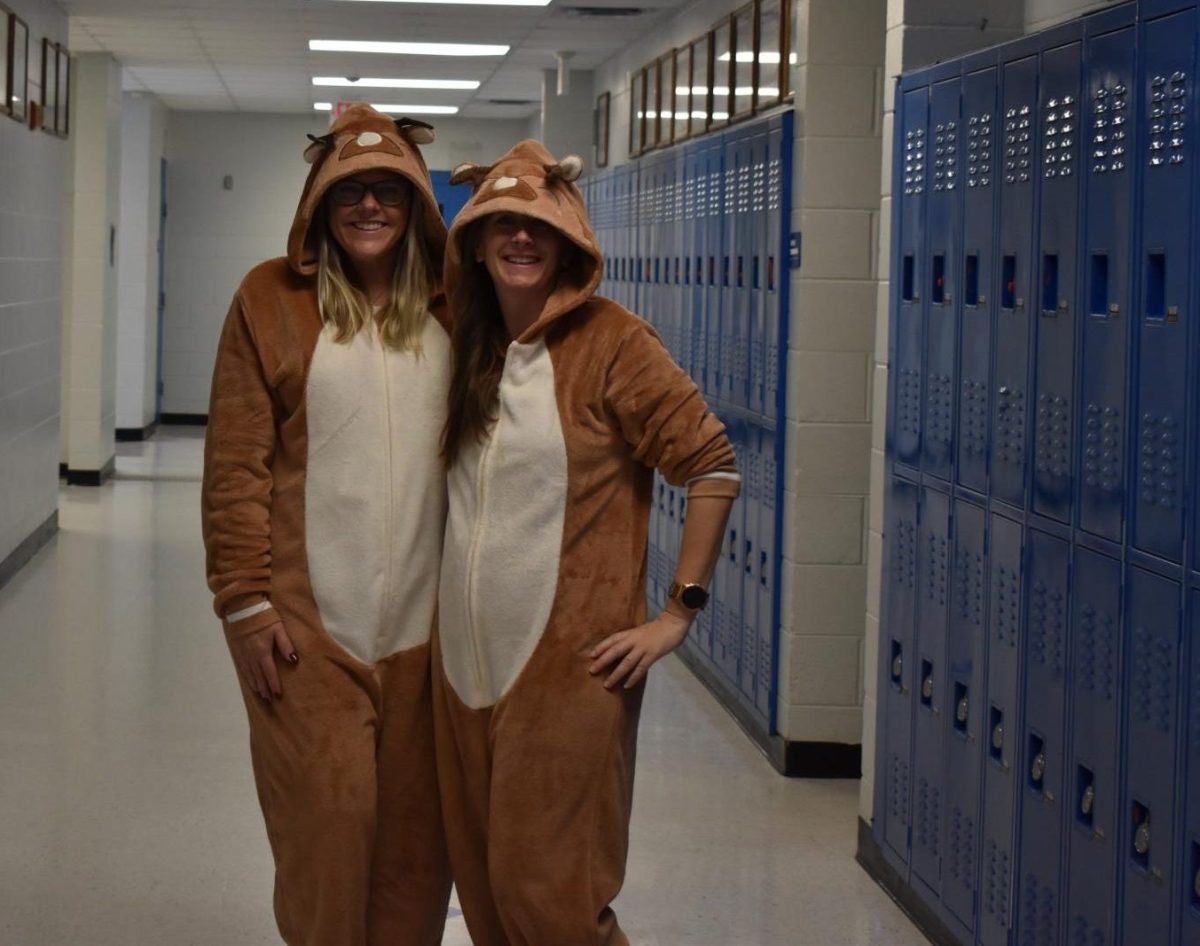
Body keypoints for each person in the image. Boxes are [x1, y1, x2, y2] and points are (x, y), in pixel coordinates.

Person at [434, 140, 739, 946]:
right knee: (489, 888)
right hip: (464, 669)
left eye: (538, 227)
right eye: (502, 224)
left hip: (569, 669)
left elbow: (711, 464)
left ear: (570, 241)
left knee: (551, 896)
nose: (521, 240)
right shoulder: (467, 342)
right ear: (474, 240)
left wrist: (679, 613)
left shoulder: (612, 342)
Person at [201, 103, 452, 946]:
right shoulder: (269, 299)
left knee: (417, 862)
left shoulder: (459, 308)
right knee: (328, 838)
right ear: (319, 203)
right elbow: (236, 463)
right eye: (351, 189)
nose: (370, 205)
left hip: (430, 639)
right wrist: (243, 601)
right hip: (306, 634)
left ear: (417, 202)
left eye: (390, 189)